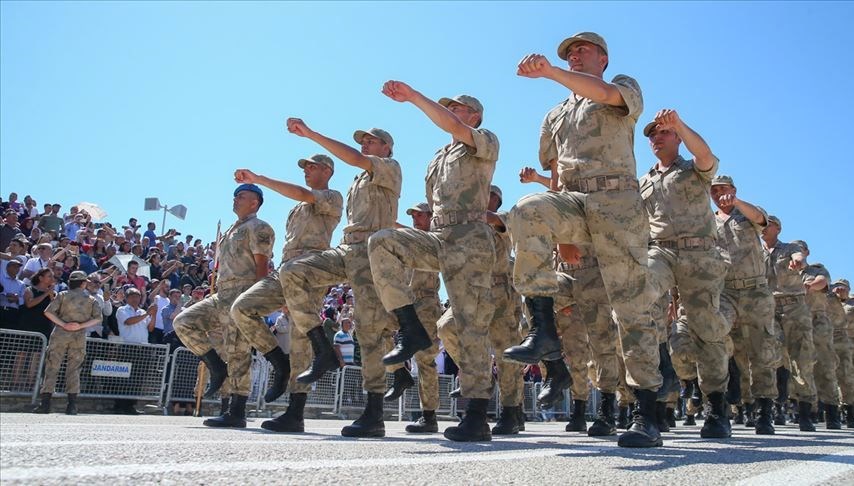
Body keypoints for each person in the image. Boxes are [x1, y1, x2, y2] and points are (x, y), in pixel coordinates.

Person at [505, 32, 659, 448]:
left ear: (603, 58)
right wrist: (560, 237)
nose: (574, 55)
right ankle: (543, 331)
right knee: (526, 211)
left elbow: (606, 94)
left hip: (616, 201)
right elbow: (554, 172)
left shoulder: (622, 86)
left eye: (582, 50)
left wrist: (551, 72)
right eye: (569, 52)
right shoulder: (555, 114)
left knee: (630, 308)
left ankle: (646, 410)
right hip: (573, 200)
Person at [370, 82, 498, 442]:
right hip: (439, 236)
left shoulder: (483, 140)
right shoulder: (439, 156)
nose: (453, 112)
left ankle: (476, 414)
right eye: (451, 107)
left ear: (473, 115)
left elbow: (455, 128)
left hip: (470, 237)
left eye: (459, 108)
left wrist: (413, 97)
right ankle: (410, 328)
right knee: (383, 242)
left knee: (468, 325)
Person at [279, 120, 401, 438]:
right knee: (292, 272)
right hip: (348, 250)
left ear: (386, 148)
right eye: (364, 141)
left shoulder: (389, 167)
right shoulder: (358, 180)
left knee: (368, 329)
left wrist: (311, 134)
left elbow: (354, 160)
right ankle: (322, 350)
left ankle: (374, 412)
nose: (365, 144)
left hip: (372, 251)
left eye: (372, 141)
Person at [228, 158, 343, 434]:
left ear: (327, 171)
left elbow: (304, 194)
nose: (306, 171)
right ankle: (278, 362)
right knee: (242, 308)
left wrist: (259, 179)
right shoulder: (296, 208)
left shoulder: (332, 197)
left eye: (311, 167)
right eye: (304, 168)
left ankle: (295, 411)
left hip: (310, 268)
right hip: (285, 270)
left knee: (301, 339)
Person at [637, 109, 730, 439]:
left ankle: (716, 408)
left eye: (664, 132)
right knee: (638, 296)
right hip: (659, 250)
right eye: (653, 135)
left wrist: (680, 124)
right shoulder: (644, 181)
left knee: (707, 329)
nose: (657, 137)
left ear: (677, 138)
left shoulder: (693, 169)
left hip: (698, 252)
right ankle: (655, 384)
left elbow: (705, 154)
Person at [173, 183, 284, 429]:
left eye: (241, 196)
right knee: (183, 322)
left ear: (254, 202)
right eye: (234, 196)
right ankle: (216, 367)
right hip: (222, 293)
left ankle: (237, 410)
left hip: (242, 292)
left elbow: (262, 267)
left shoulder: (259, 227)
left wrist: (254, 300)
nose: (235, 199)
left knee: (238, 352)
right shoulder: (233, 229)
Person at [710, 175, 778, 435]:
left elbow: (762, 218)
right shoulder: (708, 221)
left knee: (762, 352)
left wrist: (736, 201)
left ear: (734, 190)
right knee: (714, 336)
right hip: (725, 292)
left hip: (755, 291)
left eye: (723, 189)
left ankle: (764, 411)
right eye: (714, 191)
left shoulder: (747, 214)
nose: (719, 194)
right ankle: (718, 406)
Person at [386, 203, 443, 434]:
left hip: (427, 302)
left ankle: (429, 416)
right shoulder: (408, 242)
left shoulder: (434, 239)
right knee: (376, 325)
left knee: (425, 358)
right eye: (413, 215)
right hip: (406, 301)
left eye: (420, 214)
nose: (415, 218)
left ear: (431, 217)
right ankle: (400, 374)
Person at [761, 215, 817, 431]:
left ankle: (805, 412)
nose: (762, 229)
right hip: (768, 307)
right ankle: (770, 406)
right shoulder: (755, 252)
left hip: (795, 307)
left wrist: (799, 262)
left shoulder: (789, 248)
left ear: (777, 228)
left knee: (801, 358)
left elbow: (799, 256)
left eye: (767, 225)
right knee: (768, 353)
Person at [33, 271, 102, 415]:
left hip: (60, 334)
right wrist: (80, 326)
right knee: (74, 369)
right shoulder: (91, 299)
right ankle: (72, 406)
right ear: (83, 283)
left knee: (52, 366)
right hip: (78, 335)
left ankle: (45, 404)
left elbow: (48, 312)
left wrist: (63, 324)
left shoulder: (62, 295)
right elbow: (98, 319)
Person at [796, 241, 840, 429]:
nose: (797, 253)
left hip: (817, 321)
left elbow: (823, 282)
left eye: (801, 249)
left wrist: (808, 286)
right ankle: (806, 411)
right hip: (795, 319)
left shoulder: (816, 269)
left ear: (807, 252)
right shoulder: (785, 269)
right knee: (802, 365)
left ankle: (832, 413)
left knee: (825, 366)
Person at [830, 279, 854, 427]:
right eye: (836, 287)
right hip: (829, 341)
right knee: (832, 377)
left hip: (849, 341)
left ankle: (850, 410)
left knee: (847, 376)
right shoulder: (827, 300)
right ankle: (837, 410)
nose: (839, 289)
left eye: (842, 287)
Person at [0, 259, 25, 328]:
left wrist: (17, 299)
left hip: (13, 312)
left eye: (18, 267)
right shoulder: (1, 279)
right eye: (14, 266)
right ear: (7, 267)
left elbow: (23, 299)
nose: (16, 268)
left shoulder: (21, 284)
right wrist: (6, 294)